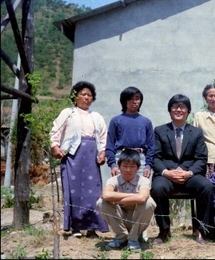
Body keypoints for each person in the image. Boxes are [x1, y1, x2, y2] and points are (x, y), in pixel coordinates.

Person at [150, 94, 214, 245]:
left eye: (183, 107)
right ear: (170, 110)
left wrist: (188, 173)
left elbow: (201, 158)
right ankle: (164, 230)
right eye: (175, 106)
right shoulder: (159, 131)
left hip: (189, 174)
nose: (178, 109)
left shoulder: (196, 132)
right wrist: (167, 173)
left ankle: (200, 229)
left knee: (207, 186)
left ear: (188, 111)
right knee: (157, 188)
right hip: (166, 174)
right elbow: (155, 157)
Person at [49, 81, 109, 238]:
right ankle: (75, 227)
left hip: (91, 158)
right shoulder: (68, 113)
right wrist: (56, 147)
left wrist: (103, 152)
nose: (86, 98)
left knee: (93, 192)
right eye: (83, 94)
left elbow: (103, 137)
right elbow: (55, 131)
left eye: (89, 95)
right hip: (72, 157)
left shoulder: (97, 117)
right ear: (75, 97)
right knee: (74, 191)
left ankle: (92, 228)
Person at [96, 149, 156, 251]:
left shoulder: (144, 181)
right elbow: (105, 195)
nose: (128, 170)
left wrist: (117, 198)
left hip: (137, 220)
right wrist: (132, 196)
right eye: (125, 166)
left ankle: (133, 239)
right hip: (120, 219)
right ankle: (121, 236)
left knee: (149, 202)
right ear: (119, 166)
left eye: (132, 166)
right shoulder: (113, 180)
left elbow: (142, 197)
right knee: (101, 203)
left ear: (138, 168)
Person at [106, 86, 155, 178]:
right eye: (131, 99)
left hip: (140, 159)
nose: (134, 101)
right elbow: (110, 144)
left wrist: (148, 165)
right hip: (120, 158)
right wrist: (112, 164)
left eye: (137, 98)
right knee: (120, 189)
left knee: (140, 188)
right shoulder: (116, 121)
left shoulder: (146, 122)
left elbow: (151, 147)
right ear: (124, 101)